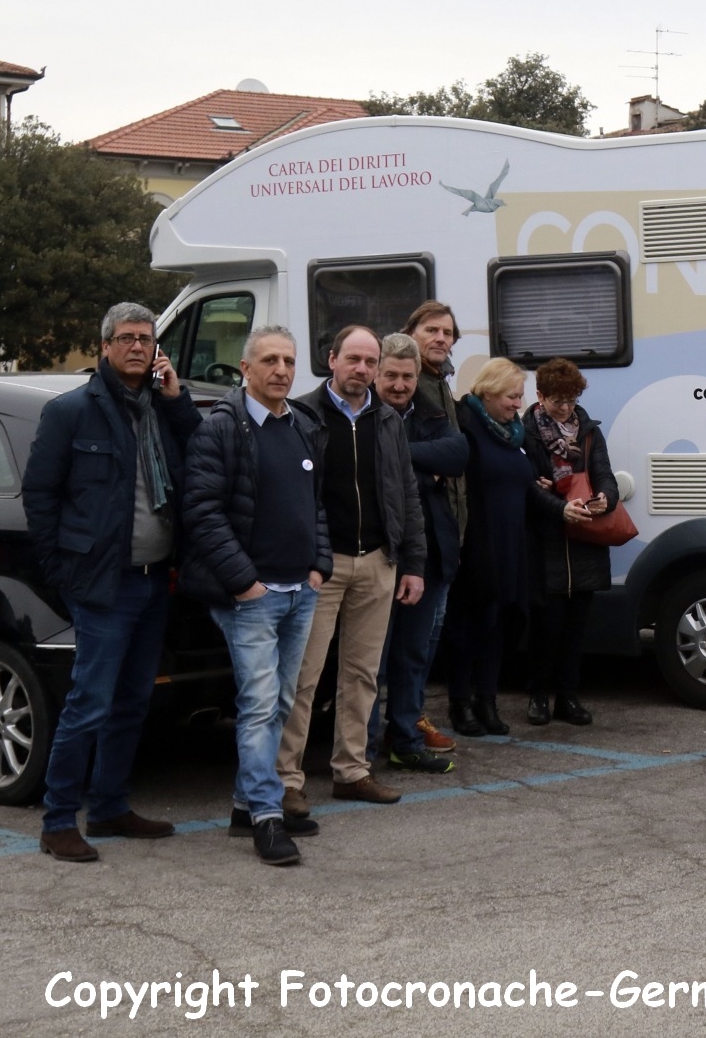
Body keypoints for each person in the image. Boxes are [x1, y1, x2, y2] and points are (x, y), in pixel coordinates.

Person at [22, 303, 203, 862]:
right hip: (103, 585)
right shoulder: (72, 412)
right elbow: (41, 496)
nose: (136, 347)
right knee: (89, 702)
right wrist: (62, 574)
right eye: (125, 338)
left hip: (154, 582)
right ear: (104, 347)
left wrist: (176, 398)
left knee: (131, 702)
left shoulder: (160, 408)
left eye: (145, 340)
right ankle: (58, 821)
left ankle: (109, 807)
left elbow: (199, 452)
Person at [179, 326, 330, 866]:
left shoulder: (303, 426)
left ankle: (246, 805)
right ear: (245, 369)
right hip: (253, 597)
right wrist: (245, 582)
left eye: (289, 360)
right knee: (259, 706)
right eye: (270, 360)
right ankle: (268, 818)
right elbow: (201, 511)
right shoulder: (221, 428)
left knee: (281, 704)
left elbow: (315, 505)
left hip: (299, 591)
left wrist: (320, 566)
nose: (282, 370)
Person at [277, 326, 425, 811]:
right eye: (354, 360)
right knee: (304, 675)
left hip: (379, 561)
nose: (362, 370)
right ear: (332, 359)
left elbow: (406, 492)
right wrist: (312, 558)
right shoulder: (302, 414)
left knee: (361, 675)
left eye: (370, 362)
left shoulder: (387, 419)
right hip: (322, 565)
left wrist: (411, 562)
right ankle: (287, 779)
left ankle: (352, 770)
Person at [371, 333, 466, 773]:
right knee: (369, 661)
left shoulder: (430, 413)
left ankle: (405, 737)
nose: (398, 384)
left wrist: (396, 456)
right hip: (377, 556)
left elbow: (458, 453)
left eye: (407, 377)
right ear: (375, 372)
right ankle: (365, 748)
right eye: (390, 374)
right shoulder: (362, 416)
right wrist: (425, 472)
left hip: (426, 558)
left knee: (412, 655)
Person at [520, 358, 620, 727]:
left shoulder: (589, 430)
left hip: (584, 539)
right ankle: (538, 695)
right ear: (540, 395)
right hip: (545, 539)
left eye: (572, 399)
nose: (566, 408)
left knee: (577, 627)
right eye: (558, 401)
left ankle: (568, 696)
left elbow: (605, 475)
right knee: (546, 626)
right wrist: (558, 507)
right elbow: (525, 484)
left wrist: (606, 498)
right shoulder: (526, 431)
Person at [448, 358, 534, 736]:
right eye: (512, 396)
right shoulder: (468, 425)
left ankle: (488, 701)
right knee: (470, 625)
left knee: (499, 625)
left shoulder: (514, 433)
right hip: (479, 543)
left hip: (513, 543)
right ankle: (460, 704)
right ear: (489, 391)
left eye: (520, 396)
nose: (519, 404)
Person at [401, 299, 465, 755]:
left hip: (446, 534)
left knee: (430, 635)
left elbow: (457, 453)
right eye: (432, 330)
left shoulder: (441, 382)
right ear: (412, 333)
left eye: (447, 332)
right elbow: (394, 450)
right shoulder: (410, 382)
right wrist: (432, 468)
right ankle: (406, 722)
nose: (441, 338)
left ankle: (412, 713)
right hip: (415, 538)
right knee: (412, 640)